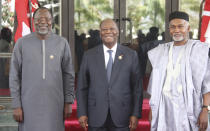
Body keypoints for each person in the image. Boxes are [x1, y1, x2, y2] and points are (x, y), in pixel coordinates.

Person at [9, 7, 75, 131]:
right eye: (39, 18)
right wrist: (16, 105)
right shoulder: (22, 44)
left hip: (55, 105)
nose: (43, 21)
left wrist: (68, 102)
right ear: (34, 21)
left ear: (51, 21)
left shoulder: (62, 43)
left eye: (47, 18)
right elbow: (14, 76)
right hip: (28, 105)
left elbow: (68, 75)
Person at [147, 11, 210, 131]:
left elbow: (207, 83)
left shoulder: (199, 50)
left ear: (188, 28)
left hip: (190, 106)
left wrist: (205, 109)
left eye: (180, 26)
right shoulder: (161, 51)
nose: (176, 30)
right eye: (173, 27)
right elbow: (155, 83)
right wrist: (152, 108)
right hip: (164, 106)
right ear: (169, 29)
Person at [76, 18, 143, 131]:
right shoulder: (89, 55)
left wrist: (135, 114)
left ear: (118, 31)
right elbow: (82, 87)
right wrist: (82, 112)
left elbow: (137, 88)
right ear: (100, 33)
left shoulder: (131, 55)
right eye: (104, 29)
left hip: (122, 114)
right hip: (96, 115)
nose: (108, 32)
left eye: (112, 29)